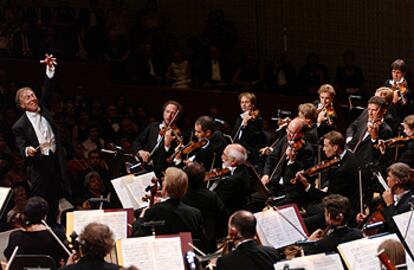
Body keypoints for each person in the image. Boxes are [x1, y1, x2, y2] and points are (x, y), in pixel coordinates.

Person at [12, 55, 71, 225]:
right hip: (38, 164)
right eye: (27, 98)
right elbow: (21, 144)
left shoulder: (43, 109)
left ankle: (53, 227)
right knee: (39, 200)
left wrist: (49, 70)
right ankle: (35, 227)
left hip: (54, 159)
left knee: (55, 197)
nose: (33, 98)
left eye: (33, 95)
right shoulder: (19, 125)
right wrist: (27, 150)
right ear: (22, 105)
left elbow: (47, 89)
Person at [132, 167, 206, 246]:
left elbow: (137, 235)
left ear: (165, 187)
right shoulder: (195, 214)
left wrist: (141, 217)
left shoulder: (154, 211)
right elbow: (203, 242)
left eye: (164, 180)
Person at [261, 117, 315, 207]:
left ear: (301, 134)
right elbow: (271, 158)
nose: (289, 135)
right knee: (253, 200)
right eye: (288, 130)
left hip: (290, 191)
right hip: (274, 185)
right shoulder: (285, 139)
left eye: (293, 133)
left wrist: (292, 160)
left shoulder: (307, 151)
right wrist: (266, 174)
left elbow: (301, 177)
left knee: (274, 208)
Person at [4, 197, 69, 265]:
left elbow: (8, 261)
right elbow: (67, 260)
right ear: (45, 216)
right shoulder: (57, 235)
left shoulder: (14, 236)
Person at [182, 162, 228, 252]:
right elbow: (223, 216)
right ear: (203, 179)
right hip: (208, 239)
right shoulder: (212, 196)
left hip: (185, 238)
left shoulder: (181, 195)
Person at [357, 162, 414, 234]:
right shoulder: (388, 196)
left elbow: (396, 228)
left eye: (389, 176)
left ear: (397, 181)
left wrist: (390, 204)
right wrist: (366, 219)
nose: (387, 179)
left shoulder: (409, 203)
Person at [132, 100, 182, 176]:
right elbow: (137, 142)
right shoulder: (153, 126)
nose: (169, 116)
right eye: (167, 112)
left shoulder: (176, 137)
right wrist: (140, 151)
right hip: (144, 169)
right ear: (163, 112)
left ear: (177, 117)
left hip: (161, 174)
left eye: (173, 113)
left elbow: (169, 162)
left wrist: (167, 146)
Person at [211, 144, 252, 213]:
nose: (221, 157)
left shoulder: (233, 181)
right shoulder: (243, 168)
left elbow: (217, 201)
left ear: (233, 161)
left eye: (224, 155)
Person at [232, 92, 267, 169]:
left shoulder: (257, 120)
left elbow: (251, 139)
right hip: (238, 151)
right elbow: (234, 136)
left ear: (253, 105)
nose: (243, 105)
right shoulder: (239, 118)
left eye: (246, 102)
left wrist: (245, 124)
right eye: (242, 102)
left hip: (250, 153)